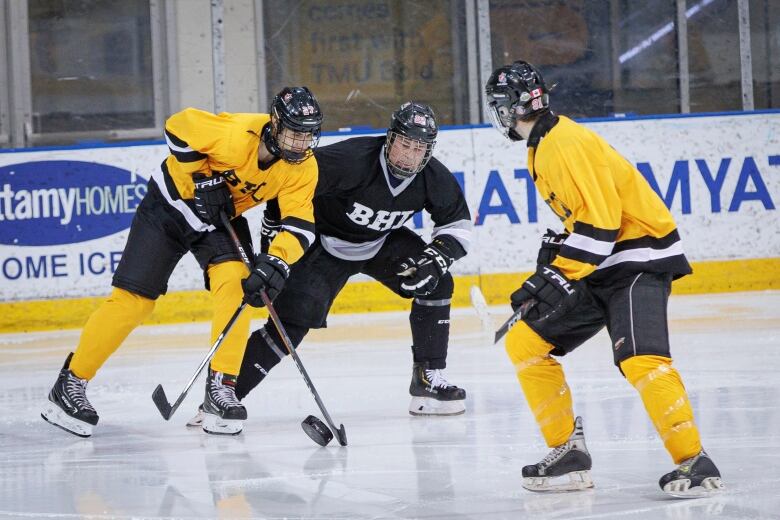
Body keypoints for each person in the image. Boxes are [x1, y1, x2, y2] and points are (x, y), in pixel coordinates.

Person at [484, 61, 724, 497]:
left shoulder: (561, 144)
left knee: (640, 359)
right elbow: (588, 222)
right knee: (527, 343)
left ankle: (695, 462)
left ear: (507, 108)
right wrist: (557, 255)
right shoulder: (545, 143)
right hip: (605, 263)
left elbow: (601, 226)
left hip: (638, 261)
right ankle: (568, 455)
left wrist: (555, 275)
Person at [41, 87, 323, 437]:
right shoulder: (237, 134)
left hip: (218, 220)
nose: (301, 143)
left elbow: (300, 224)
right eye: (294, 132)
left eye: (308, 135)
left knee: (238, 285)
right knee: (133, 304)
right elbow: (178, 126)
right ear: (275, 124)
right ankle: (69, 384)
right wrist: (203, 178)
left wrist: (277, 262)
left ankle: (221, 387)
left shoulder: (303, 167)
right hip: (168, 209)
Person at [188, 101, 472, 423]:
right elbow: (293, 184)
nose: (409, 154)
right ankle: (223, 397)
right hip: (321, 242)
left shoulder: (433, 177)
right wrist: (273, 246)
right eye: (404, 144)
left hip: (381, 242)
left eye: (419, 148)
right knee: (289, 325)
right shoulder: (349, 160)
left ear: (429, 150)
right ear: (390, 138)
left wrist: (436, 259)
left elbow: (457, 226)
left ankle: (427, 379)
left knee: (438, 282)